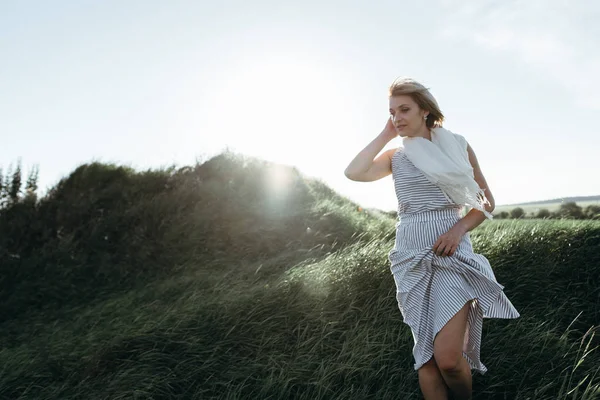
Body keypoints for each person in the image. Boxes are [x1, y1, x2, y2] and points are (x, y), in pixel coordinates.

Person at [344, 77, 520, 400]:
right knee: (426, 361)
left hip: (451, 255)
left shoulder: (457, 146)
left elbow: (485, 203)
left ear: (424, 110)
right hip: (410, 258)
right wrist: (386, 134)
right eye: (392, 111)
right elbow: (353, 172)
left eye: (404, 109)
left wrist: (457, 229)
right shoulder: (396, 157)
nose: (397, 117)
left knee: (449, 360)